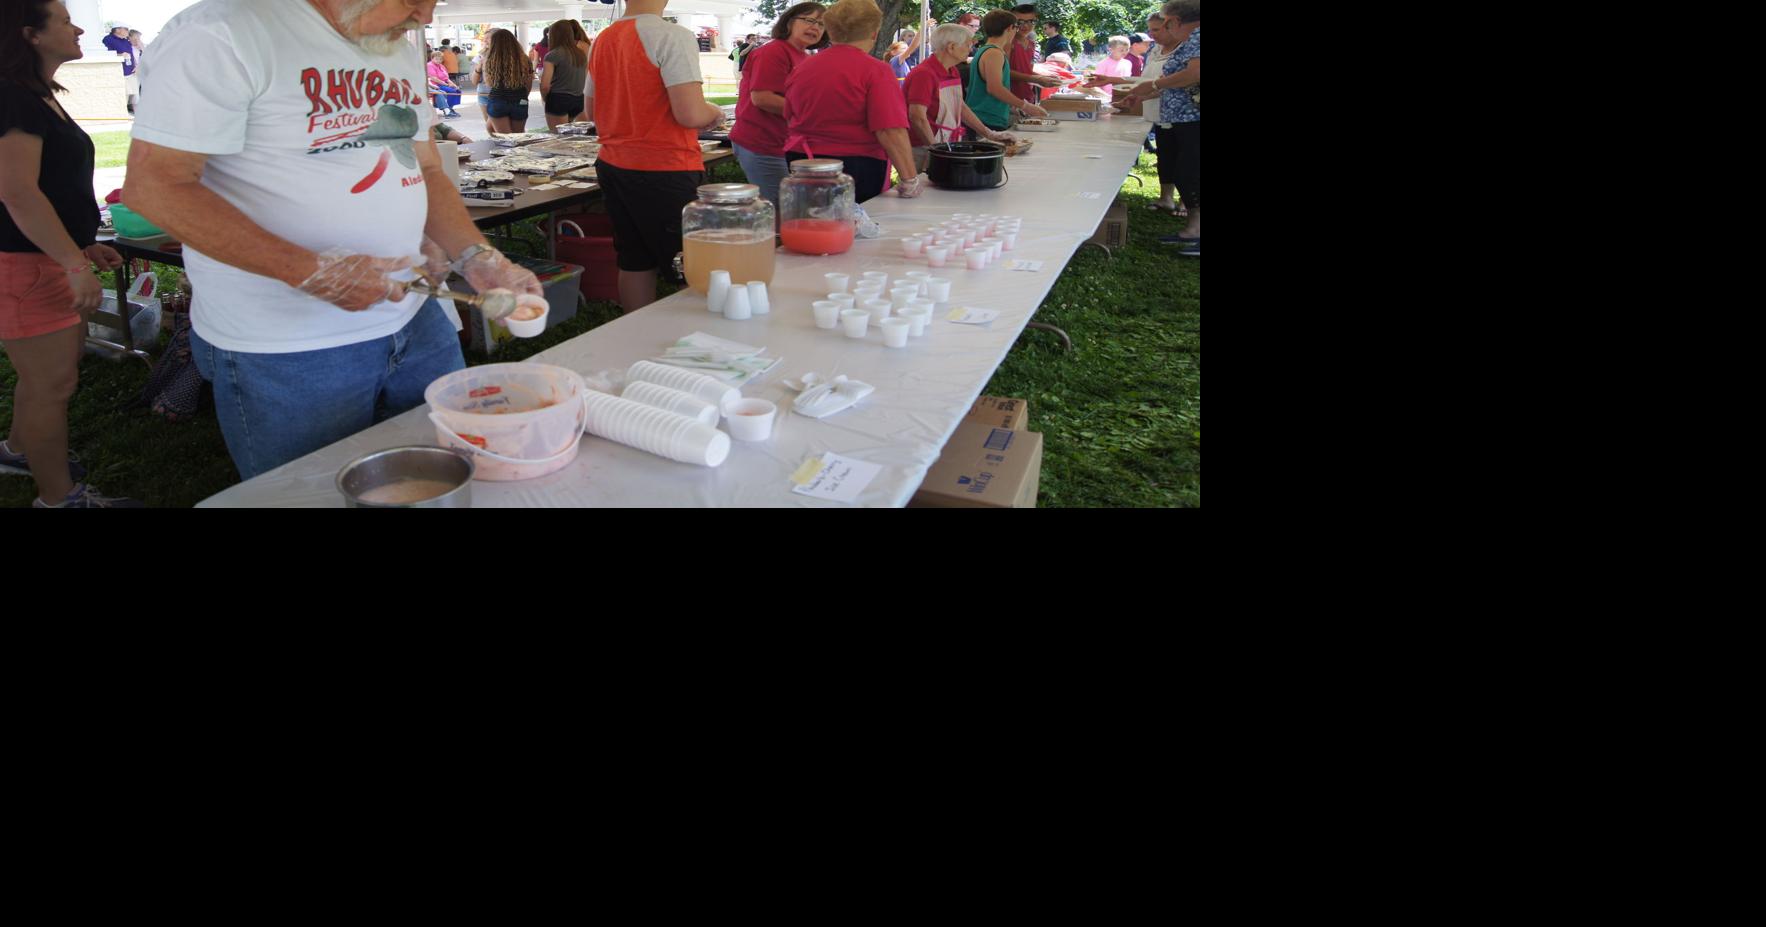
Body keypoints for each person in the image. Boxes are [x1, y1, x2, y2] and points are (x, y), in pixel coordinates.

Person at [123, 0, 543, 480]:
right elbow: (156, 185)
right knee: (312, 491)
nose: (425, 19)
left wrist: (476, 256)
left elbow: (424, 167)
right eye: (413, 0)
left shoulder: (394, 47)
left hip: (417, 316)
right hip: (288, 345)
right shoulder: (222, 33)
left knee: (449, 469)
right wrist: (308, 270)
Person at [1, 0, 140, 507]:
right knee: (51, 385)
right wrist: (73, 263)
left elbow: (49, 186)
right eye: (63, 19)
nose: (78, 25)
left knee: (47, 378)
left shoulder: (37, 97)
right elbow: (17, 192)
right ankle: (58, 499)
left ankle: (18, 450)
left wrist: (81, 244)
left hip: (46, 258)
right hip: (24, 266)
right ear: (30, 35)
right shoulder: (12, 96)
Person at [585, 0, 723, 311]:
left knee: (633, 258)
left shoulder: (603, 39)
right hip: (665, 167)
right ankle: (697, 342)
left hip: (613, 164)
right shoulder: (672, 35)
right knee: (690, 262)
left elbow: (590, 111)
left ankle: (636, 340)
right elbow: (690, 113)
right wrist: (713, 112)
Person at [782, 0, 923, 205]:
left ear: (830, 31)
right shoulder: (875, 70)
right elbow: (890, 130)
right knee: (854, 231)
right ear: (873, 33)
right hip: (854, 166)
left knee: (811, 225)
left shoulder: (803, 67)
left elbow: (788, 113)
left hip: (802, 161)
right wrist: (910, 178)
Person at [729, 2, 825, 213]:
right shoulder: (773, 51)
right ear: (789, 22)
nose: (815, 27)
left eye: (821, 24)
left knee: (792, 209)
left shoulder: (804, 56)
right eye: (809, 20)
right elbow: (762, 98)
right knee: (780, 212)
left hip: (785, 144)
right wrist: (810, 114)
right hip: (762, 143)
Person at [1121, 0, 1198, 254]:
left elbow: (1192, 75)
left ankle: (1195, 232)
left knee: (1189, 172)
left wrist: (1154, 86)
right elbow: (1174, 83)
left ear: (1174, 21)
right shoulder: (1189, 40)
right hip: (1182, 118)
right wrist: (1143, 95)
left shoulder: (1196, 38)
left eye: (1163, 23)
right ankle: (1193, 229)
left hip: (1192, 119)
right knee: (1184, 171)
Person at [903, 22, 1013, 172]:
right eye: (967, 44)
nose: (970, 49)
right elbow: (917, 117)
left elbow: (959, 106)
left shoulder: (952, 70)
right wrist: (937, 150)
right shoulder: (924, 74)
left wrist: (988, 133)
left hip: (945, 143)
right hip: (922, 147)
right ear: (951, 47)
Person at [965, 9, 1046, 133]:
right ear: (1009, 28)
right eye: (1016, 27)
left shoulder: (989, 50)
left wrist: (1012, 107)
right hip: (986, 119)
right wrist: (1025, 106)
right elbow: (994, 88)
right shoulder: (994, 53)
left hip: (988, 117)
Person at [480, 27, 532, 133]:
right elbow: (528, 83)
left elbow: (489, 82)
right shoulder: (525, 59)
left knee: (505, 138)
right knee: (518, 136)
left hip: (498, 100)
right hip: (520, 99)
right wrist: (522, 97)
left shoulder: (489, 59)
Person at [540, 19, 587, 129]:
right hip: (578, 100)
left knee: (558, 139)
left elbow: (545, 86)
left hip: (558, 99)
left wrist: (546, 100)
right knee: (570, 137)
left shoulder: (552, 55)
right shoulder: (580, 54)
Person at [1007, 5, 1059, 103]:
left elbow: (1027, 71)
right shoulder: (1008, 42)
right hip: (1010, 100)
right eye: (1020, 22)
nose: (1026, 26)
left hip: (1028, 97)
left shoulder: (1031, 44)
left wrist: (1044, 77)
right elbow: (1004, 72)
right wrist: (1037, 79)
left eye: (1031, 21)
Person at [102, 24, 137, 113]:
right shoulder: (108, 39)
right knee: (121, 94)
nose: (127, 31)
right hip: (118, 72)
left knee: (131, 93)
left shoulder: (126, 41)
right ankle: (121, 113)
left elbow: (132, 54)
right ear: (117, 30)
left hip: (130, 71)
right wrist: (120, 55)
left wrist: (136, 65)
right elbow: (105, 54)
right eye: (125, 29)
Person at [1088, 36, 1133, 103]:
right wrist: (1104, 97)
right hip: (1107, 98)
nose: (1125, 52)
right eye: (1121, 50)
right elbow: (1097, 83)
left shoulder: (1128, 63)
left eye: (1127, 49)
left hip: (1124, 97)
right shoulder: (1103, 63)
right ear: (1111, 49)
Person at [426, 49, 461, 117]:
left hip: (444, 83)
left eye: (440, 59)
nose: (438, 61)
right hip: (435, 84)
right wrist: (447, 85)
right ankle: (448, 110)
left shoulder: (441, 66)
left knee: (457, 90)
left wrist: (454, 85)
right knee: (451, 91)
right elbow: (434, 79)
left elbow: (446, 78)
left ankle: (450, 108)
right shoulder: (429, 65)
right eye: (436, 59)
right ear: (432, 58)